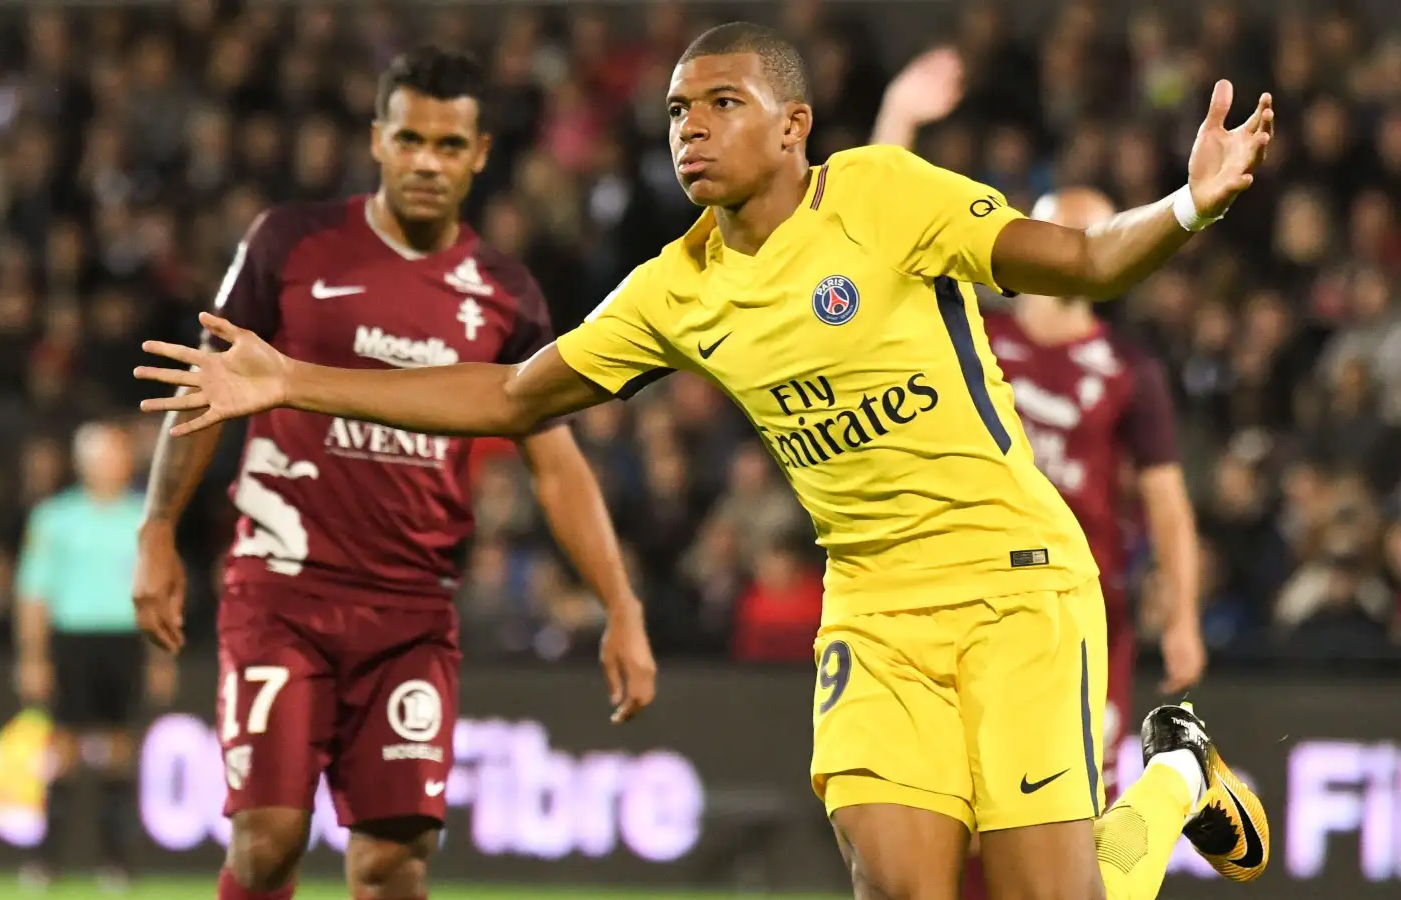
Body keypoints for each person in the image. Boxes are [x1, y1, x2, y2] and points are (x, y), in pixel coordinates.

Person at [137, 23, 1274, 900]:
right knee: (899, 886)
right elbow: (511, 395)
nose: (690, 128)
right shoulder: (674, 288)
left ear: (793, 126)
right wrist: (291, 380)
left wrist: (1186, 205)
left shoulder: (878, 193)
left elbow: (1076, 258)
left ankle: (1175, 780)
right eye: (679, 110)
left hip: (1016, 581)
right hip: (874, 613)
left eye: (723, 105)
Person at [130, 48, 655, 900]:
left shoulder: (505, 295)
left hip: (411, 612)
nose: (426, 162)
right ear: (377, 140)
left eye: (450, 146)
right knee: (266, 844)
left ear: (481, 155)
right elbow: (208, 391)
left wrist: (621, 605)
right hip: (281, 593)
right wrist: (156, 529)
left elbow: (556, 466)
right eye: (409, 138)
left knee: (393, 866)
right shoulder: (290, 243)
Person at [870, 58, 1209, 900]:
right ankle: (1180, 774)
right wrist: (897, 118)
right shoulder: (972, 330)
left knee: (1070, 852)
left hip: (1073, 613)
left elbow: (1165, 503)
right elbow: (873, 240)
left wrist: (1185, 615)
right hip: (951, 595)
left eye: (1088, 238)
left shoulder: (1126, 370)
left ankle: (1174, 777)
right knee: (958, 840)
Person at [15, 421, 174, 892]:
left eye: (116, 455)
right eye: (100, 456)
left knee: (121, 754)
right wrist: (33, 657)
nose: (109, 464)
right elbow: (33, 593)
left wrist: (161, 657)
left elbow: (157, 595)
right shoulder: (54, 519)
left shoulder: (144, 518)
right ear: (83, 463)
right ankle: (47, 861)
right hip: (73, 642)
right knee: (61, 751)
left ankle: (116, 863)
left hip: (123, 642)